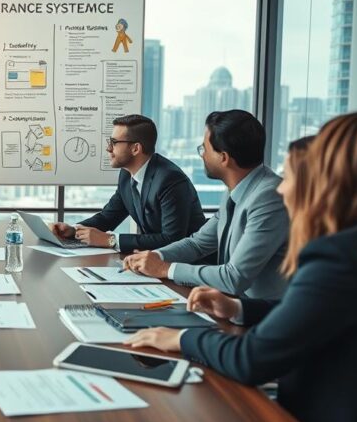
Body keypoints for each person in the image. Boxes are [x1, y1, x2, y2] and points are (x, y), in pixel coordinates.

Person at [125, 109, 357, 422]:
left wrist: (180, 338)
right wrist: (240, 309)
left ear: (343, 175)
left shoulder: (346, 255)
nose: (285, 187)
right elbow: (327, 314)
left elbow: (250, 360)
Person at [124, 109, 289, 299]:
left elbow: (234, 277)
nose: (201, 155)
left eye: (204, 149)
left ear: (223, 158)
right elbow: (198, 243)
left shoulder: (269, 198)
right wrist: (156, 256)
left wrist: (165, 269)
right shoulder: (237, 189)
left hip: (261, 312)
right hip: (231, 305)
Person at [51, 115, 205, 252]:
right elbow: (108, 217)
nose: (108, 148)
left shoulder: (170, 179)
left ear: (135, 148)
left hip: (187, 264)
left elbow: (172, 240)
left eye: (114, 142)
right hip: (151, 259)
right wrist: (73, 230)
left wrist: (110, 240)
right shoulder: (126, 174)